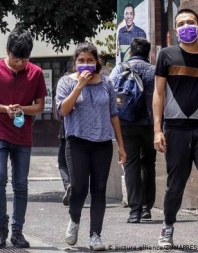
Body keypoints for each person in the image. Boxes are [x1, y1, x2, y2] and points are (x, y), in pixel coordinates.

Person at [0, 28, 47, 249]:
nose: (20, 63)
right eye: (16, 58)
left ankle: (17, 231)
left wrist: (21, 109)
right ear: (7, 51)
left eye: (25, 58)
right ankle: (1, 227)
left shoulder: (36, 73)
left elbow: (39, 107)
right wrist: (4, 109)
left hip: (22, 134)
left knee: (21, 184)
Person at [56, 42, 126, 250]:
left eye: (89, 60)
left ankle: (96, 235)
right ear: (75, 62)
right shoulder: (66, 83)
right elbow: (63, 111)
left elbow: (114, 115)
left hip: (102, 143)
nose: (85, 64)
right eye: (81, 61)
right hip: (77, 142)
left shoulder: (107, 83)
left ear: (97, 62)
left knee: (99, 190)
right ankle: (74, 221)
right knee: (78, 187)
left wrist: (121, 145)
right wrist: (79, 86)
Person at [153, 9, 198, 248]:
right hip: (175, 129)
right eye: (181, 23)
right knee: (176, 183)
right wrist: (157, 129)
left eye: (190, 22)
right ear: (175, 31)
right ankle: (167, 225)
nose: (186, 26)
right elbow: (158, 93)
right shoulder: (166, 55)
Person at [109, 37, 157, 223]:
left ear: (130, 52)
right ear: (148, 53)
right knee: (148, 164)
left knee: (131, 165)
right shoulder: (154, 70)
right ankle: (147, 207)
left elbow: (111, 91)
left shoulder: (120, 68)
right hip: (150, 124)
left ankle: (134, 211)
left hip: (126, 123)